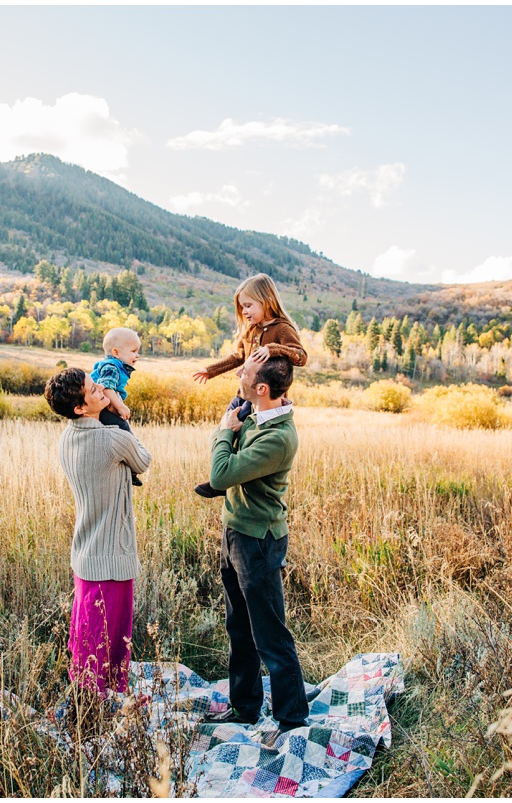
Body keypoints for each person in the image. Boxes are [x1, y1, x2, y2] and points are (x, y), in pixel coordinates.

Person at [203, 355, 309, 748]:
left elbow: (221, 474)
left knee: (270, 634)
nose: (238, 378)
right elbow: (242, 396)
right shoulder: (258, 413)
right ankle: (245, 706)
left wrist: (222, 432)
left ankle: (292, 720)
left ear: (262, 389)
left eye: (244, 375)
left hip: (258, 542)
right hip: (235, 533)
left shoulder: (278, 437)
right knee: (239, 628)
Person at [43, 367, 152, 698]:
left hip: (85, 555)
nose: (102, 390)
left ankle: (95, 705)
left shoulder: (67, 437)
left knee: (86, 643)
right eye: (94, 390)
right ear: (79, 407)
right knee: (113, 643)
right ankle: (101, 709)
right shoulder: (112, 438)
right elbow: (143, 460)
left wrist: (105, 409)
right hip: (112, 558)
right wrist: (120, 413)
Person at [191, 274, 307, 498]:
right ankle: (225, 477)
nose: (244, 312)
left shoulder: (282, 329)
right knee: (223, 429)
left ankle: (226, 479)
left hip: (264, 395)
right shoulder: (251, 330)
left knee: (249, 435)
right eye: (241, 307)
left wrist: (274, 349)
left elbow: (301, 357)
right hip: (244, 392)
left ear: (266, 301)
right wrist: (211, 370)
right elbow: (238, 357)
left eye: (248, 305)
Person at [90, 327, 144, 486]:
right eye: (134, 351)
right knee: (125, 433)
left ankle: (127, 468)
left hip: (103, 408)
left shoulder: (113, 365)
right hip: (103, 409)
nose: (137, 355)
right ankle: (133, 467)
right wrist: (120, 407)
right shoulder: (111, 367)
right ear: (116, 352)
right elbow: (106, 388)